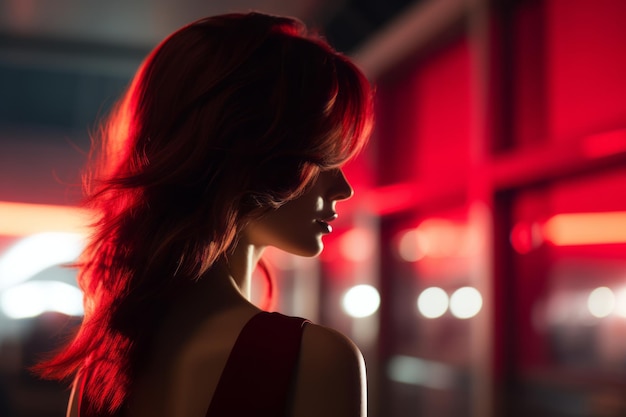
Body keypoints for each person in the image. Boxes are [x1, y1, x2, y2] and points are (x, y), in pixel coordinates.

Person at [35, 11, 374, 417]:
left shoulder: (100, 372)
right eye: (321, 158)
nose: (344, 188)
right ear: (250, 156)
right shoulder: (316, 360)